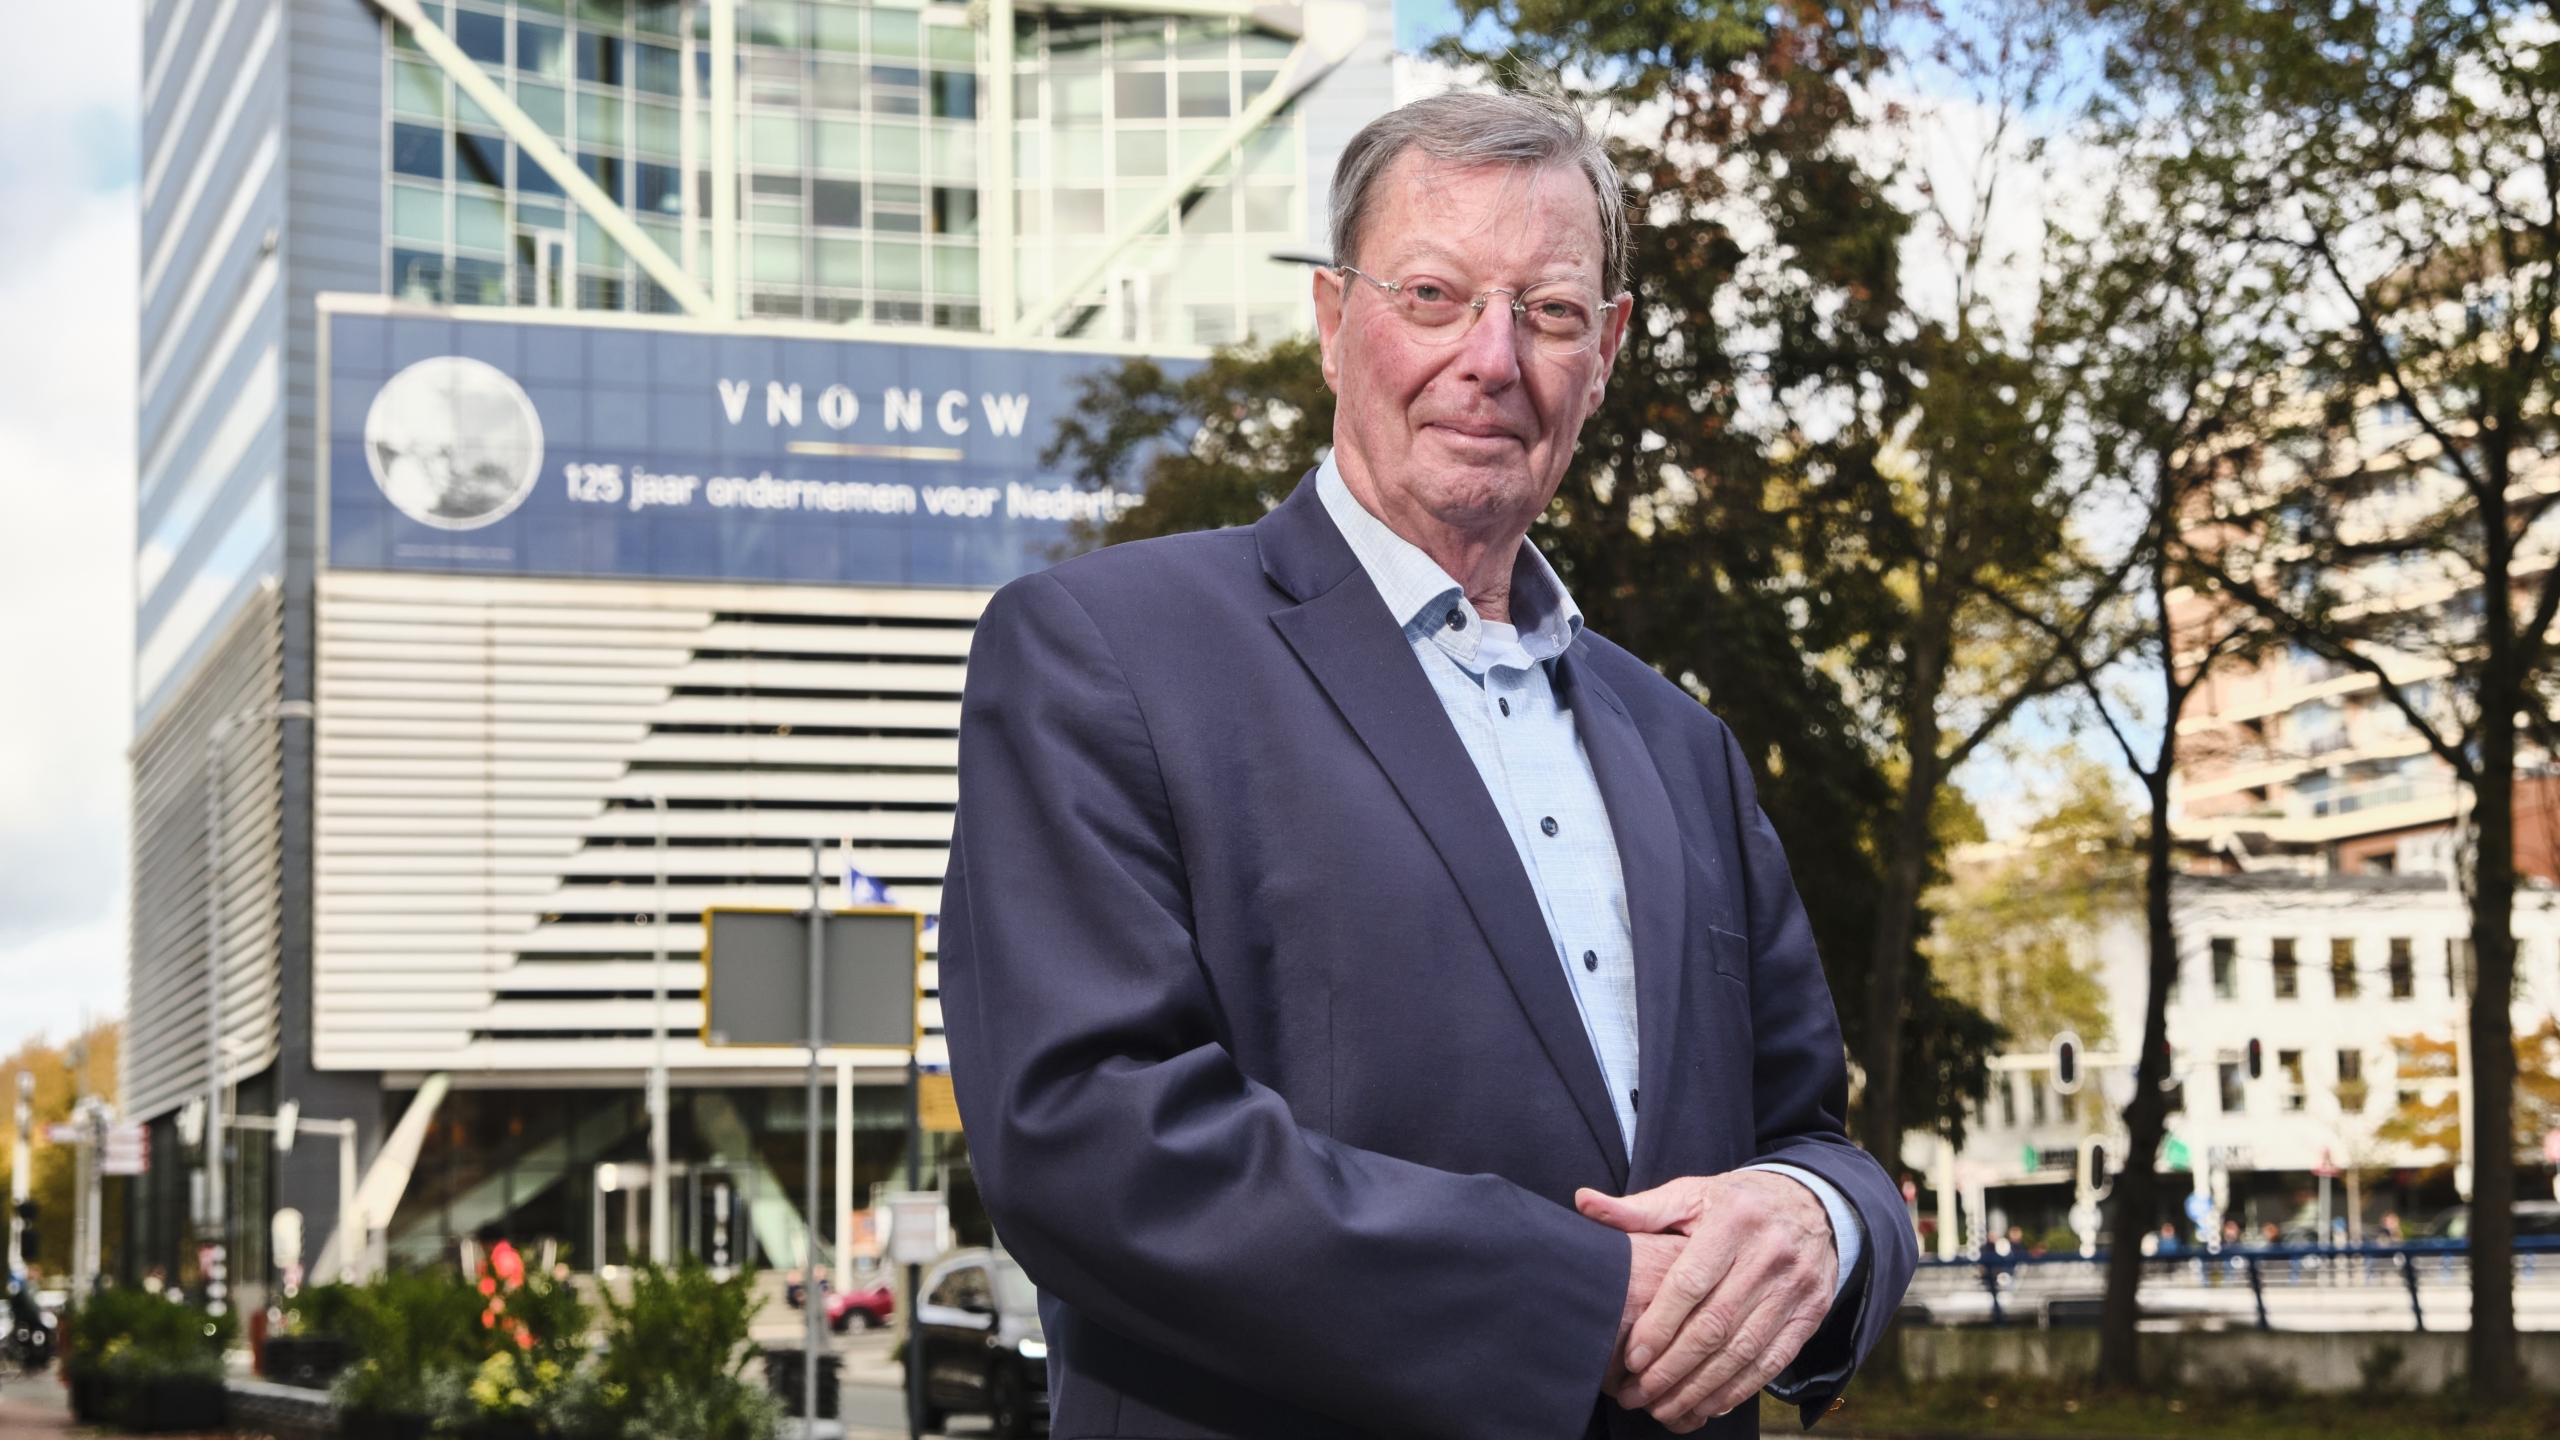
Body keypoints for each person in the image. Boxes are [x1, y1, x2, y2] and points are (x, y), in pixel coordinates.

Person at [941, 88, 1913, 1440]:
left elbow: (1813, 1133)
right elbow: (1089, 1138)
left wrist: (1824, 1223)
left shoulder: (1683, 746)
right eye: (1436, 294)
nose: (1493, 358)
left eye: (1553, 313)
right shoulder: (1105, 652)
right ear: (1335, 321)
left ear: (1609, 348)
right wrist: (1583, 1297)